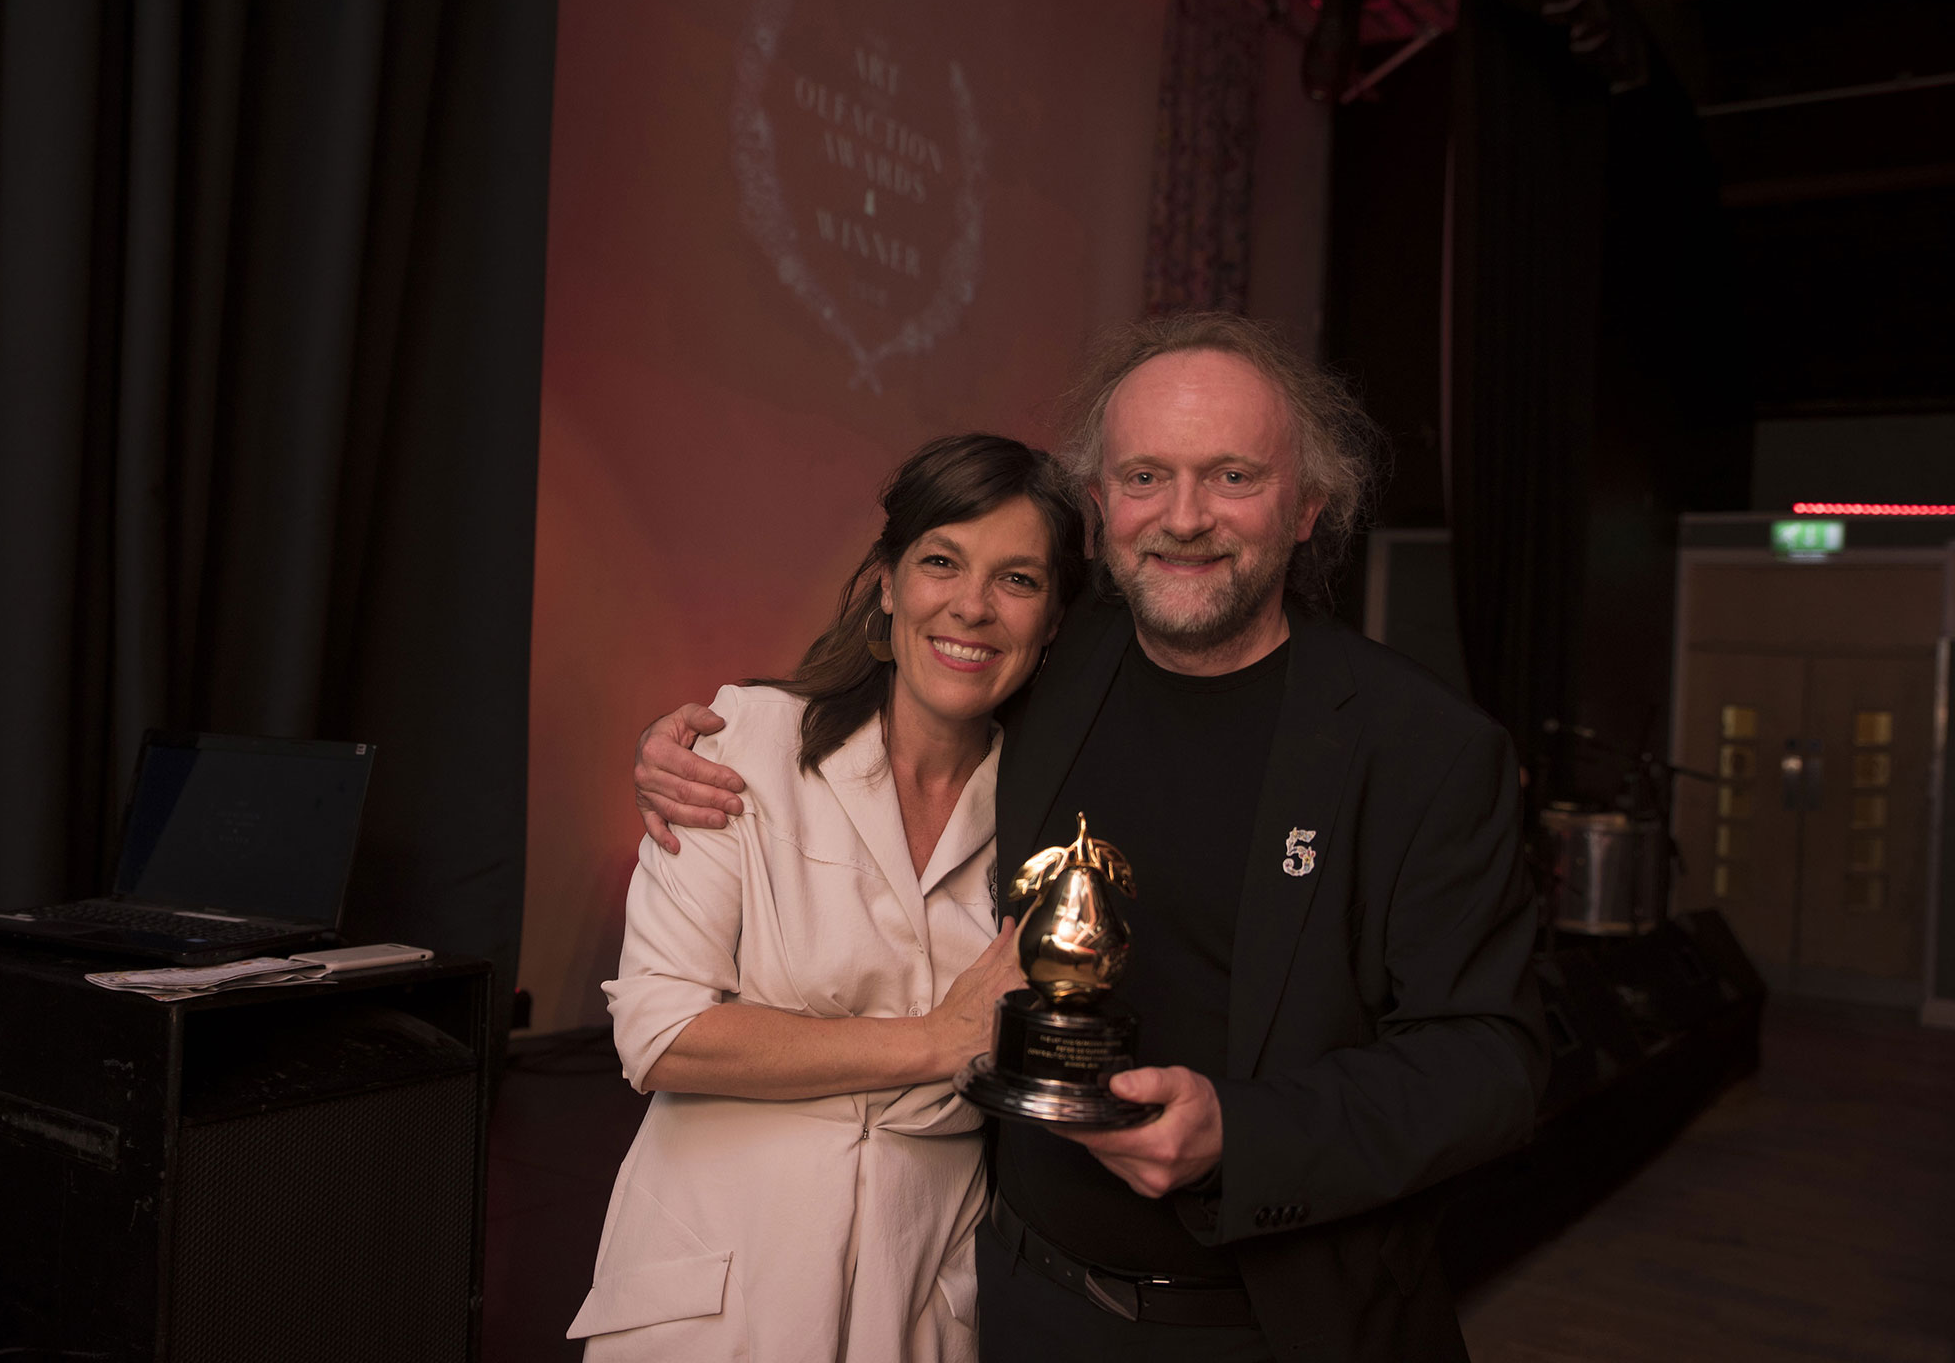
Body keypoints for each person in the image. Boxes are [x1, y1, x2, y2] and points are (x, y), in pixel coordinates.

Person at [634, 312, 1547, 1363]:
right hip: (1018, 1302)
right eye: (1147, 475)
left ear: (1308, 507)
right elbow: (889, 693)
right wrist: (701, 740)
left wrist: (1239, 1135)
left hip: (1267, 1327)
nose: (1185, 517)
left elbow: (1492, 1062)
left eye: (1234, 476)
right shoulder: (1045, 667)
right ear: (1101, 503)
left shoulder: (1423, 746)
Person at [569, 434, 1090, 1362]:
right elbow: (661, 1034)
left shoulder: (1053, 816)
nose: (971, 607)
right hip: (718, 1285)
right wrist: (934, 1039)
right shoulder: (744, 750)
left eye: (1018, 579)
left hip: (923, 1289)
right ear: (887, 583)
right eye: (941, 562)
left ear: (1054, 620)